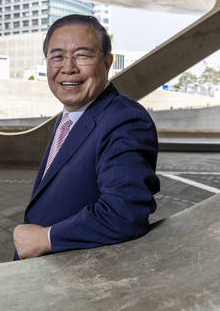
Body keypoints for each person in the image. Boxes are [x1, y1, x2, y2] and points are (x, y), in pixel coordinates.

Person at [13, 15, 160, 260]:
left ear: (107, 63)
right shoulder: (67, 118)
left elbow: (124, 213)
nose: (68, 68)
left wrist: (44, 239)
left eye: (82, 55)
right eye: (57, 56)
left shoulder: (125, 119)